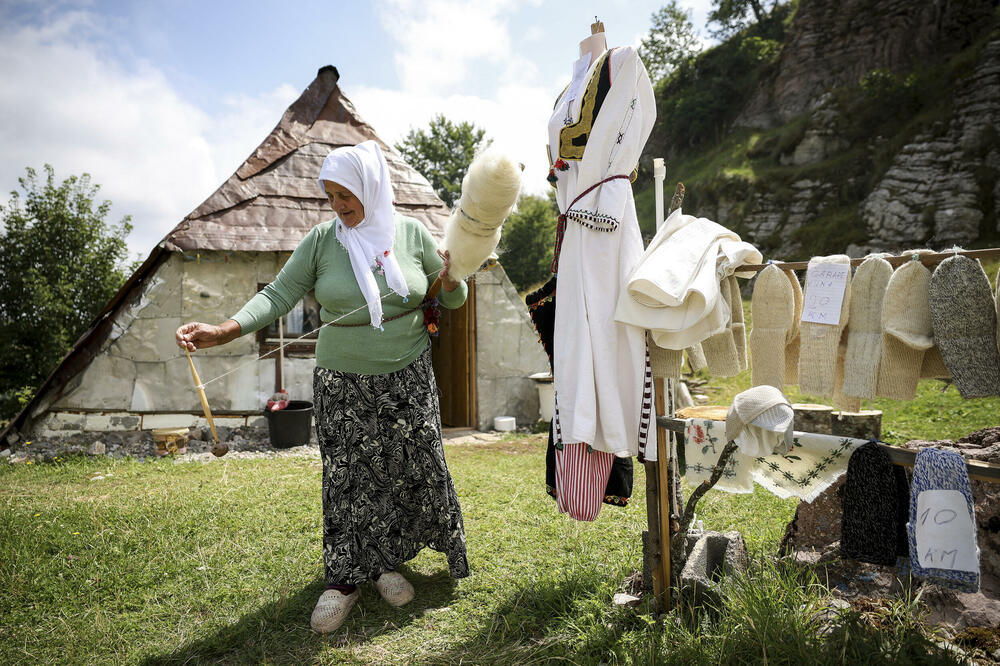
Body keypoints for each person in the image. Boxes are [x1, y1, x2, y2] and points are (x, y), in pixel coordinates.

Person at [175, 140, 470, 634]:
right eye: (330, 196)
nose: (337, 205)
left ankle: (384, 564)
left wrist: (454, 276)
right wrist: (224, 330)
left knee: (406, 468)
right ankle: (343, 581)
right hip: (342, 378)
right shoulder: (322, 241)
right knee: (348, 477)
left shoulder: (412, 233)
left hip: (409, 373)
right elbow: (278, 293)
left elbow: (453, 297)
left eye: (345, 195)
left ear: (370, 189)